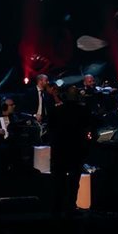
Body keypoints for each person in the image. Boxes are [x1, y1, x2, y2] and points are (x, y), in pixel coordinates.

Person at [47, 86, 92, 215]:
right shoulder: (83, 111)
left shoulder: (56, 110)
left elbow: (50, 129)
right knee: (74, 181)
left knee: (58, 180)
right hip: (76, 151)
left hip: (59, 150)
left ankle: (56, 208)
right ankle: (70, 206)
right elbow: (89, 128)